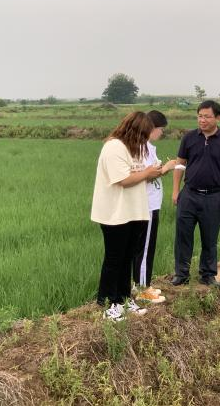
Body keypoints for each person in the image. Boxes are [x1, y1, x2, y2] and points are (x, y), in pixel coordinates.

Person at [91, 111, 163, 321]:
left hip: (134, 212)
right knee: (114, 259)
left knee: (128, 258)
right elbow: (123, 179)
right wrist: (148, 173)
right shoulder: (114, 147)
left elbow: (140, 176)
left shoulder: (135, 147)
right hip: (115, 214)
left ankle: (123, 299)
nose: (144, 140)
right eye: (143, 134)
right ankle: (107, 303)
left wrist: (152, 172)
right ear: (133, 130)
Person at [171, 100, 220, 287]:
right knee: (183, 236)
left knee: (210, 238)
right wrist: (176, 191)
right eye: (200, 116)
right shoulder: (189, 138)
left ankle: (208, 274)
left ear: (218, 118)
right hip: (189, 194)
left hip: (213, 196)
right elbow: (179, 164)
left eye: (207, 117)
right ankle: (181, 274)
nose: (202, 120)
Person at [132, 110, 177, 303]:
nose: (162, 133)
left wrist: (163, 169)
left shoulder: (147, 147)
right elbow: (145, 175)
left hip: (150, 202)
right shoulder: (141, 148)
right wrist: (167, 167)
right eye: (161, 129)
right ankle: (143, 290)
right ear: (152, 128)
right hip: (147, 204)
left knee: (143, 247)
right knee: (145, 248)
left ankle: (140, 284)